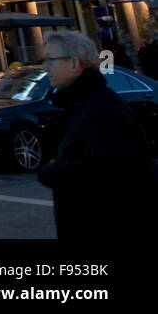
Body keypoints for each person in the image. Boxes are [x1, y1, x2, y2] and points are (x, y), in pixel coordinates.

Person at [38, 30, 158, 238]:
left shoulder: (102, 109)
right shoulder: (79, 105)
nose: (45, 67)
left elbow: (105, 172)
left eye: (50, 60)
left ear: (74, 64)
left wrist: (51, 171)